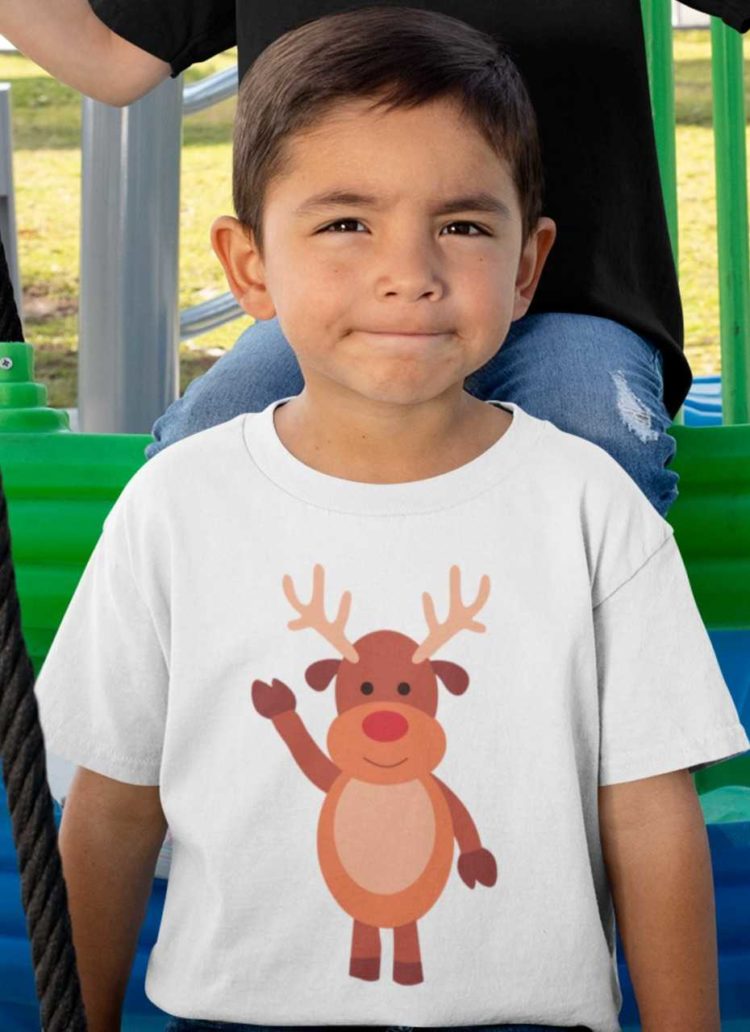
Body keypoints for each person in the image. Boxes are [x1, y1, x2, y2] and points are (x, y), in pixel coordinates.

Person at [32, 8, 749, 1032]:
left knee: (598, 437)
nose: (407, 268)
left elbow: (652, 808)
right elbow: (108, 806)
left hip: (585, 309)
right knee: (203, 445)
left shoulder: (586, 505)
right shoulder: (177, 508)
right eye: (348, 223)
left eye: (455, 225)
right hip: (238, 1006)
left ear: (523, 256)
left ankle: (542, 739)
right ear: (246, 268)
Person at [2, 1, 748, 515]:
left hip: (572, 291)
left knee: (594, 440)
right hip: (338, 305)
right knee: (214, 436)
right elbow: (107, 54)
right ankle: (246, 716)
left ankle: (565, 726)